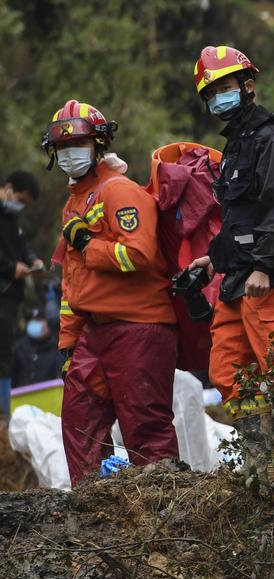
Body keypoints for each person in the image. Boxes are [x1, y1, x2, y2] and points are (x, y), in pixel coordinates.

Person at [186, 46, 274, 477]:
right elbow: (239, 219)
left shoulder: (271, 137)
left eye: (225, 87)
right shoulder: (238, 144)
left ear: (248, 86)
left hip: (271, 280)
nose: (219, 98)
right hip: (238, 279)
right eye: (211, 93)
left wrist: (263, 265)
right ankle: (263, 475)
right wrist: (212, 259)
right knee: (228, 372)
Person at [45, 100, 179, 484]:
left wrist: (89, 245)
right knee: (79, 422)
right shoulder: (74, 205)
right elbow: (73, 283)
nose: (70, 155)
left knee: (145, 427)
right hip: (95, 332)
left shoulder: (120, 192)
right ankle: (95, 513)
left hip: (140, 327)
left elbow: (139, 254)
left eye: (79, 145)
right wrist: (68, 344)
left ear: (99, 145)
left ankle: (162, 512)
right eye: (63, 148)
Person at [0, 170, 43, 415]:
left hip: (10, 296)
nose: (20, 206)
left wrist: (32, 260)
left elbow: (21, 245)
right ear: (9, 188)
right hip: (3, 290)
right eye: (21, 200)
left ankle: (4, 415)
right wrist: (9, 267)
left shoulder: (11, 219)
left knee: (6, 354)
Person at [12, 309, 62, 387]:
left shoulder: (57, 348)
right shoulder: (19, 348)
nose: (35, 324)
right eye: (32, 321)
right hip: (21, 396)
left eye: (39, 320)